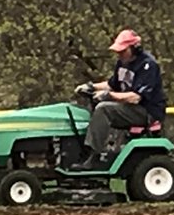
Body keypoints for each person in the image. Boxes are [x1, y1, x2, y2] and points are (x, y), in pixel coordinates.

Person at [70, 29, 167, 171]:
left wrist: (109, 96)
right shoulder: (122, 63)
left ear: (134, 48)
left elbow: (136, 97)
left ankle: (93, 156)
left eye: (123, 51)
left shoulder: (147, 66)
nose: (119, 54)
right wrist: (90, 87)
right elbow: (111, 85)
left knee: (104, 109)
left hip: (147, 112)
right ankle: (82, 149)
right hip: (131, 108)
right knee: (94, 106)